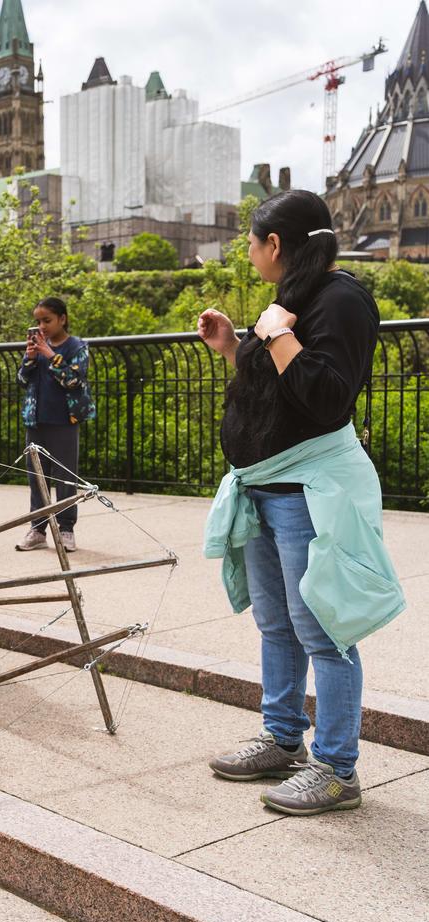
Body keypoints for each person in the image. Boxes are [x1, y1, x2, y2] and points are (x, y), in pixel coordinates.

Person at [197, 189, 403, 816]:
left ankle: (338, 769)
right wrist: (237, 345)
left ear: (276, 246)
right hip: (267, 487)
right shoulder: (293, 299)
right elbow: (274, 388)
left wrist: (278, 338)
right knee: (277, 624)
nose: (251, 252)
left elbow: (329, 396)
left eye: (253, 243)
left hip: (307, 491)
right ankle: (283, 736)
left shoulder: (341, 298)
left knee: (324, 629)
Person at [15, 297, 95, 553]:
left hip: (64, 420)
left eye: (47, 320)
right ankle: (37, 529)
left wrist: (50, 356)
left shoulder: (77, 347)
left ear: (63, 318)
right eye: (38, 321)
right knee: (36, 476)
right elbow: (21, 379)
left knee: (65, 476)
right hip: (35, 420)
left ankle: (66, 528)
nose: (42, 326)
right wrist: (29, 358)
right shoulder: (37, 347)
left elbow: (74, 380)